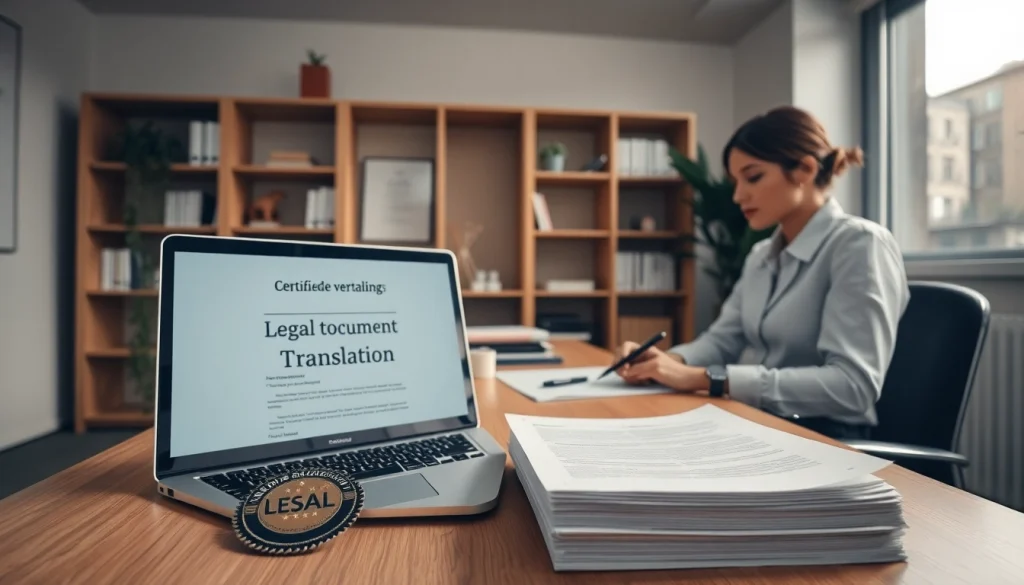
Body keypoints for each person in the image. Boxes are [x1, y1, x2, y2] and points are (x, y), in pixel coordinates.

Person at [614, 105, 910, 440]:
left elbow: (853, 386)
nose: (738, 195)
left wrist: (707, 379)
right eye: (735, 182)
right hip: (754, 419)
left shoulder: (860, 245)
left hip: (823, 436)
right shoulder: (760, 255)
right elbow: (724, 339)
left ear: (805, 169)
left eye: (753, 177)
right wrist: (667, 361)